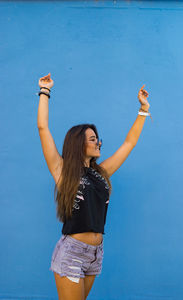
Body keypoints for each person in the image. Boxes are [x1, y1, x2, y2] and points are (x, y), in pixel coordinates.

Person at [37, 72, 151, 300]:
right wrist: (44, 91)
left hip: (95, 253)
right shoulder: (62, 170)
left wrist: (143, 110)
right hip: (72, 252)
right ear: (78, 143)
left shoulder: (101, 172)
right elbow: (43, 128)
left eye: (98, 138)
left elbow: (129, 143)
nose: (98, 142)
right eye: (92, 139)